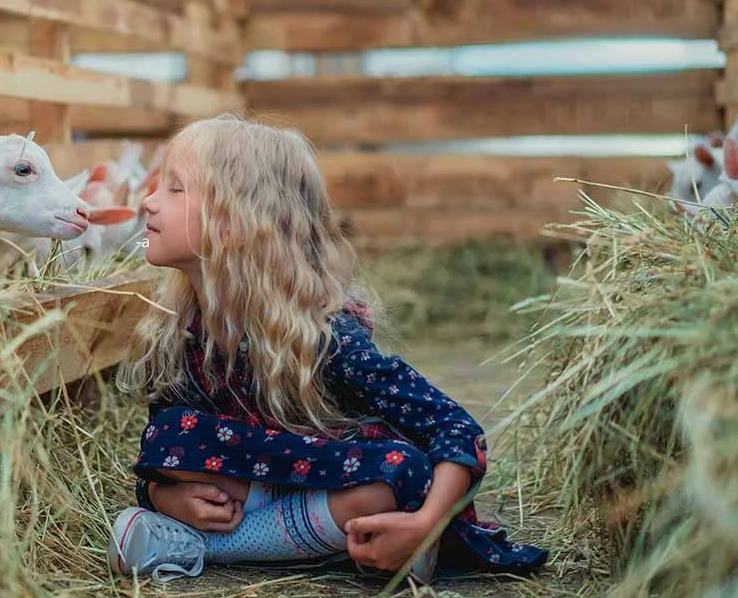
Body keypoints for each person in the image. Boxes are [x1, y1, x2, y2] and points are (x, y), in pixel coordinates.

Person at [106, 115, 548, 586]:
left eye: (175, 189)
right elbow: (160, 454)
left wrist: (426, 523)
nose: (149, 202)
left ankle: (206, 548)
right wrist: (163, 494)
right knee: (171, 433)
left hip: (340, 482)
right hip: (259, 488)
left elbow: (456, 429)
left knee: (397, 474)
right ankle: (302, 541)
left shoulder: (325, 340)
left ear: (236, 221)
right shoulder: (180, 334)